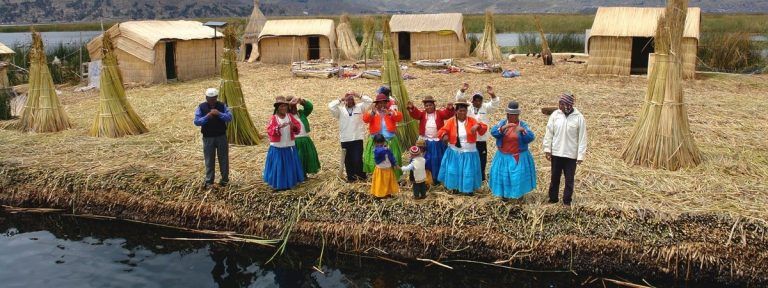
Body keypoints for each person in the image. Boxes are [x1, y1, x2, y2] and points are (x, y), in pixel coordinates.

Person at [542, 93, 587, 206]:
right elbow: (549, 133)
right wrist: (547, 149)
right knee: (555, 178)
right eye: (559, 103)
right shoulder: (555, 115)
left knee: (569, 180)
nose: (559, 106)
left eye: (562, 104)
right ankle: (553, 199)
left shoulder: (579, 117)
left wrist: (580, 155)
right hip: (556, 153)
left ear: (568, 104)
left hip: (571, 155)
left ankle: (567, 201)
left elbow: (582, 138)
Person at [437, 98, 488, 195]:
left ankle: (468, 190)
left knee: (468, 171)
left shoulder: (472, 120)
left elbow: (483, 128)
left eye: (464, 110)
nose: (462, 112)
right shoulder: (451, 121)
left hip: (469, 152)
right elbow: (441, 131)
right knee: (454, 170)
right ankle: (455, 187)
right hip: (454, 152)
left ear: (467, 111)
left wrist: (478, 126)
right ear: (456, 111)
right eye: (460, 110)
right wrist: (444, 135)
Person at [489, 101, 537, 201]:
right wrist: (503, 128)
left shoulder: (522, 125)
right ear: (507, 114)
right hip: (503, 156)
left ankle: (519, 196)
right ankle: (505, 196)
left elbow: (531, 137)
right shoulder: (503, 123)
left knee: (518, 177)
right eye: (510, 114)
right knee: (504, 177)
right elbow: (493, 132)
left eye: (514, 115)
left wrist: (523, 131)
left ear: (518, 115)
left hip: (519, 156)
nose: (511, 117)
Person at [455, 83, 500, 182]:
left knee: (482, 158)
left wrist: (492, 94)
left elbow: (494, 104)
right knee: (469, 157)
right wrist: (462, 90)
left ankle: (481, 176)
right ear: (472, 100)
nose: (478, 102)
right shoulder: (468, 107)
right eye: (476, 100)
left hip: (481, 138)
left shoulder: (485, 107)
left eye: (479, 100)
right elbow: (459, 99)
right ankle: (469, 175)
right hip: (470, 138)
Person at [406, 95, 454, 185]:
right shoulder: (423, 114)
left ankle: (436, 178)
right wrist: (412, 107)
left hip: (437, 141)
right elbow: (415, 114)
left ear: (434, 105)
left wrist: (449, 108)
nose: (428, 107)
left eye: (430, 105)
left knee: (436, 158)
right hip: (425, 141)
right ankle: (424, 178)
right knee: (424, 159)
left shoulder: (439, 113)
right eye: (426, 105)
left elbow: (447, 114)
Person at [328, 91, 373, 182]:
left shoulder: (360, 107)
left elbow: (370, 101)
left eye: (352, 99)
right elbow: (331, 106)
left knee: (357, 159)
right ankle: (351, 178)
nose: (350, 101)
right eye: (348, 99)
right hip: (345, 139)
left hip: (357, 138)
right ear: (345, 101)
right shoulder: (340, 110)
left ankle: (361, 177)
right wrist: (340, 99)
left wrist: (358, 95)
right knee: (347, 160)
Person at [193, 88, 233, 188]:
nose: (212, 101)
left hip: (221, 137)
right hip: (208, 138)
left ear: (216, 97)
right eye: (210, 99)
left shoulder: (222, 106)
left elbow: (229, 118)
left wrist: (219, 114)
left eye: (214, 98)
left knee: (223, 158)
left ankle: (225, 181)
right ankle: (209, 181)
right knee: (209, 159)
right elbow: (197, 122)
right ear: (206, 98)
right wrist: (207, 116)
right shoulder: (201, 107)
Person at [264, 96, 305, 191]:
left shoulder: (289, 116)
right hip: (278, 147)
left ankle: (290, 183)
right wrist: (278, 127)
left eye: (285, 106)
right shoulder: (274, 118)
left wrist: (293, 126)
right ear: (277, 107)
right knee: (278, 165)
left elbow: (297, 127)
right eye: (281, 106)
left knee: (289, 165)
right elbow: (270, 130)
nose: (283, 108)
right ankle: (278, 184)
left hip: (289, 144)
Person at [363, 93, 404, 179]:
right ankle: (377, 177)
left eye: (384, 103)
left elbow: (399, 117)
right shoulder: (373, 112)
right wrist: (372, 113)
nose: (382, 105)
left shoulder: (390, 111)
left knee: (392, 158)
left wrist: (390, 113)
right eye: (380, 103)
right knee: (375, 159)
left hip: (390, 139)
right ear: (376, 104)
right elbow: (365, 120)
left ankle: (393, 177)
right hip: (376, 140)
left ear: (387, 103)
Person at [286, 96, 320, 176]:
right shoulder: (286, 116)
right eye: (292, 106)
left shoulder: (301, 113)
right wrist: (289, 104)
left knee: (307, 157)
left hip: (305, 139)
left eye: (295, 105)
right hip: (295, 141)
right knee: (298, 158)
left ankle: (304, 174)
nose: (294, 107)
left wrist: (301, 101)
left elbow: (309, 107)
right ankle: (298, 175)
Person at [370, 134, 399, 198]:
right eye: (378, 143)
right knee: (381, 183)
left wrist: (395, 164)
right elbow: (379, 152)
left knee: (388, 182)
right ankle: (380, 194)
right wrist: (385, 149)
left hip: (388, 169)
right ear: (375, 143)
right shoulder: (376, 150)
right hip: (380, 170)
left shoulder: (386, 149)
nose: (380, 144)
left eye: (381, 142)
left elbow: (391, 157)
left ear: (384, 141)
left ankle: (388, 192)